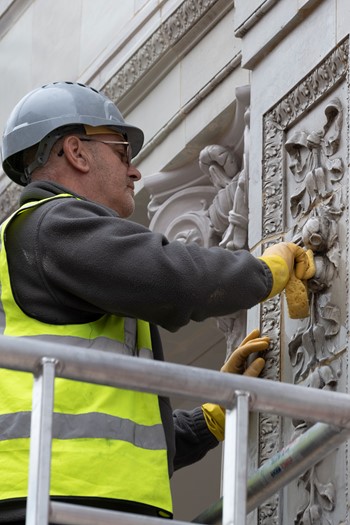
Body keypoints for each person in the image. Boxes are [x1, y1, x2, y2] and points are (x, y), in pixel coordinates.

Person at [0, 82, 313, 523]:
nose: (136, 173)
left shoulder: (39, 247)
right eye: (122, 154)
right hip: (67, 501)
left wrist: (209, 419)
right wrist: (266, 271)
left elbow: (122, 442)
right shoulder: (53, 225)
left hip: (62, 496)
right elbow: (172, 277)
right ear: (76, 151)